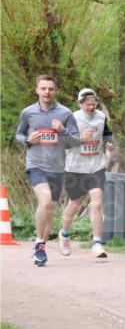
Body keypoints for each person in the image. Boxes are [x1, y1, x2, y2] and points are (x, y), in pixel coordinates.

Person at [14, 75, 81, 267]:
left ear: (55, 91)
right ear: (37, 90)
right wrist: (27, 140)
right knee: (44, 201)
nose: (47, 92)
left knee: (50, 209)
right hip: (36, 165)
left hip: (58, 168)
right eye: (43, 88)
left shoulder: (66, 113)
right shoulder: (27, 113)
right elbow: (18, 134)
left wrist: (63, 131)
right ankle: (38, 245)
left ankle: (41, 244)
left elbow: (76, 142)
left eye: (50, 89)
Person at [59, 88, 113, 259]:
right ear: (80, 103)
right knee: (74, 203)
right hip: (75, 167)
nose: (91, 107)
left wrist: (109, 143)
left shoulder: (101, 117)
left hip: (96, 165)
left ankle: (97, 243)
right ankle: (64, 234)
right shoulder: (72, 118)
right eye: (87, 105)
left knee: (97, 203)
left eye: (94, 104)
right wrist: (81, 138)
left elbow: (107, 133)